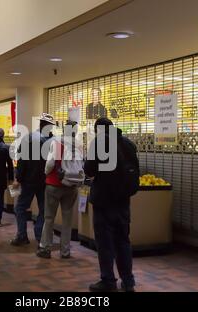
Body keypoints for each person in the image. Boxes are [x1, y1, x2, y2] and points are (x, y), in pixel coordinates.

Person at [84, 117, 139, 292]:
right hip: (123, 201)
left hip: (103, 201)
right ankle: (128, 281)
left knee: (105, 243)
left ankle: (108, 280)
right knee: (123, 240)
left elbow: (89, 170)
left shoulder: (99, 143)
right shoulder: (128, 144)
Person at [37, 120, 83, 259]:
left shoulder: (58, 142)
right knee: (67, 219)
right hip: (72, 185)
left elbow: (50, 163)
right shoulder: (79, 146)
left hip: (54, 184)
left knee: (49, 218)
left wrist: (46, 173)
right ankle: (65, 251)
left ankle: (45, 248)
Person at [10, 113, 55, 246]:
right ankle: (40, 235)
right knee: (43, 209)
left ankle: (22, 236)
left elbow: (22, 160)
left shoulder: (29, 138)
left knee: (21, 207)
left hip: (28, 180)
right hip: (45, 181)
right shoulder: (53, 141)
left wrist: (18, 178)